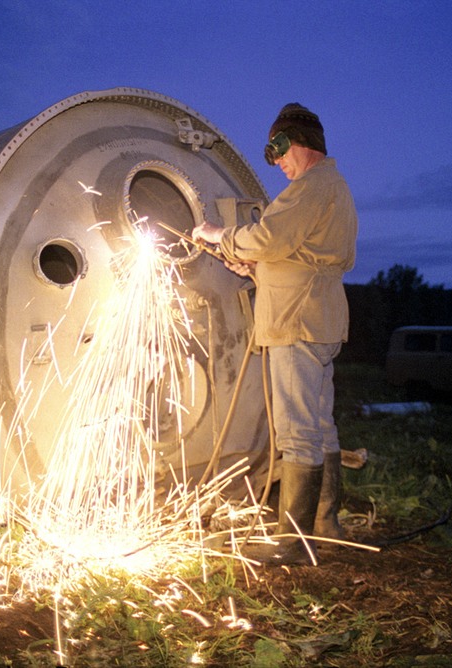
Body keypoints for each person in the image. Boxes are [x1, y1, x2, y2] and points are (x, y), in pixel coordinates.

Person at [193, 103, 358, 564]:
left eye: (279, 153)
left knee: (296, 430)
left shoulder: (312, 186)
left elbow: (268, 237)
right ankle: (325, 523)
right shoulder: (333, 187)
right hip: (319, 317)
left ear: (293, 142)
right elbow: (297, 256)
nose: (278, 165)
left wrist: (218, 235)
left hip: (296, 321)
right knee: (320, 423)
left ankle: (292, 543)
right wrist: (252, 267)